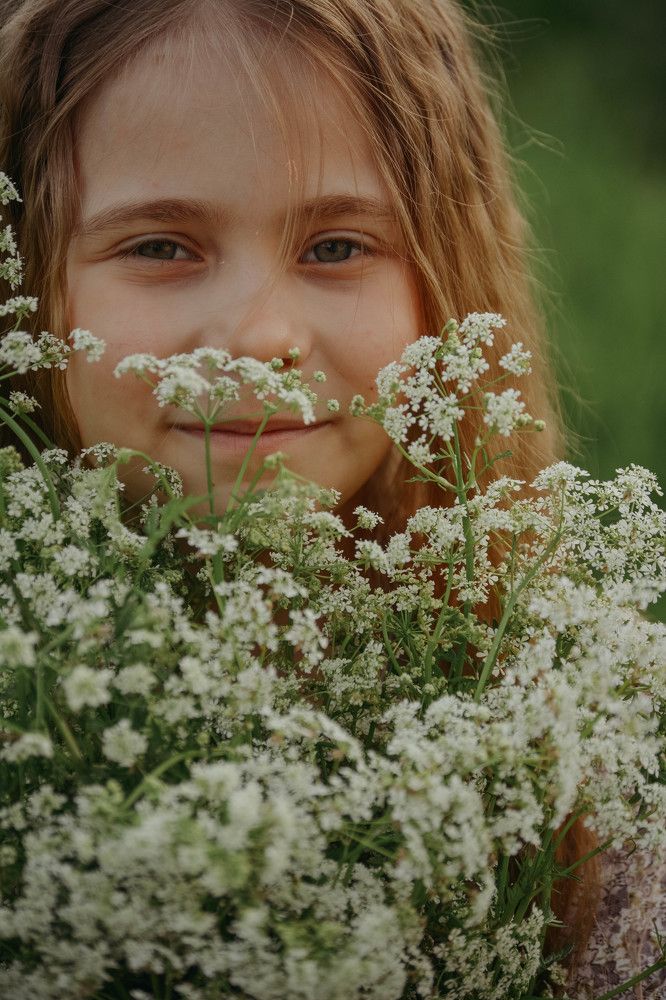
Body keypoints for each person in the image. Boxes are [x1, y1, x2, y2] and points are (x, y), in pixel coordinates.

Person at [0, 1, 663, 995]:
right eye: (161, 246)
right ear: (23, 276)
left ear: (446, 280)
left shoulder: (574, 771)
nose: (263, 335)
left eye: (337, 248)